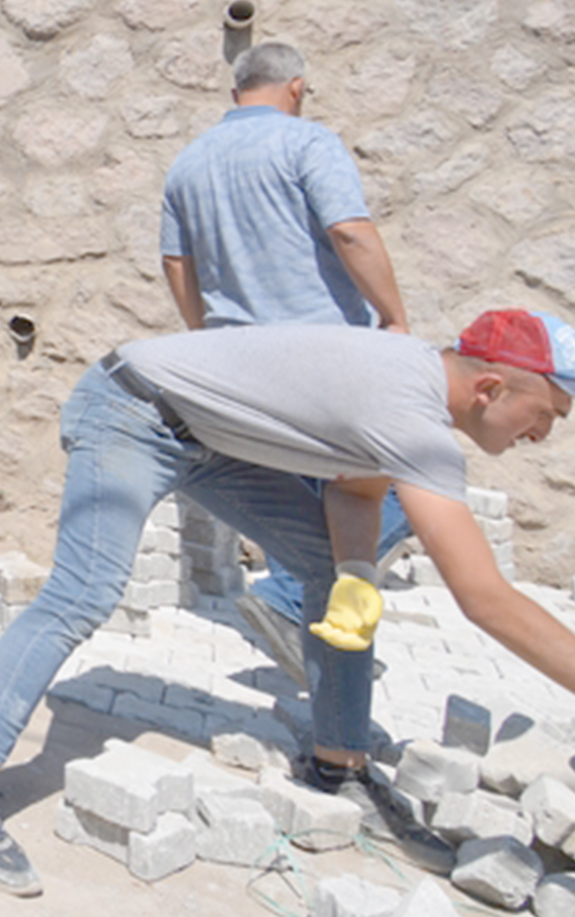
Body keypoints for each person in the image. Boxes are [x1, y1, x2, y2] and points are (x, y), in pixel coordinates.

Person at [0, 310, 575, 900]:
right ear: (492, 386)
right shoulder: (416, 416)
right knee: (86, 589)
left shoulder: (413, 395)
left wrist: (357, 572)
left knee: (335, 581)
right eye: (548, 415)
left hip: (210, 438)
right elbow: (487, 601)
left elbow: (358, 484)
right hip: (132, 409)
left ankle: (339, 765)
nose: (545, 435)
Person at [161, 40, 414, 683]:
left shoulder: (189, 163)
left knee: (311, 507)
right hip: (323, 358)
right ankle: (290, 607)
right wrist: (394, 317)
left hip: (239, 365)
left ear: (235, 93)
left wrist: (205, 336)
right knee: (411, 479)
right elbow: (350, 230)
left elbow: (176, 265)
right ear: (296, 88)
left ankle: (314, 636)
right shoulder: (308, 144)